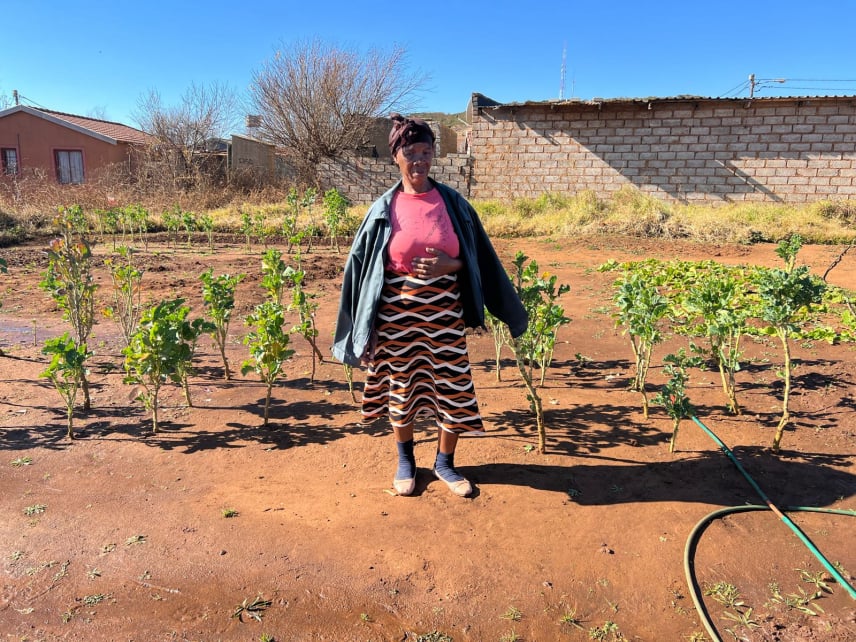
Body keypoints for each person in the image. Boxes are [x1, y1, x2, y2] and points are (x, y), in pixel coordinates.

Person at [332, 114, 527, 497]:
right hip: (396, 321)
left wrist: (448, 264)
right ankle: (406, 461)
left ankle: (444, 464)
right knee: (402, 391)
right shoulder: (382, 210)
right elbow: (360, 273)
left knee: (451, 390)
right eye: (410, 151)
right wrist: (361, 330)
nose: (419, 159)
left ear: (434, 154)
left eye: (425, 150)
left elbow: (476, 258)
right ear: (396, 157)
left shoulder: (453, 204)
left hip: (444, 321)